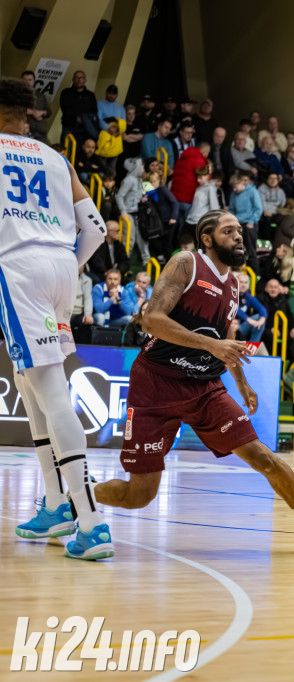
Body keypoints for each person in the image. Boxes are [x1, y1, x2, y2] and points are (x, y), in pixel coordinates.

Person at [94, 211, 294, 555]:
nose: (239, 236)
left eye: (239, 230)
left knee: (262, 457)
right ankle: (81, 493)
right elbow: (151, 320)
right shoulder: (187, 264)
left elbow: (226, 341)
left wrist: (241, 382)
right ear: (207, 239)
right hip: (156, 385)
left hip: (204, 387)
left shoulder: (233, 285)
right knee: (139, 496)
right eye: (229, 231)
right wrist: (212, 345)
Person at [0, 78, 111, 558]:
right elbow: (98, 229)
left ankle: (90, 522)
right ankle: (53, 504)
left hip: (18, 268)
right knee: (27, 381)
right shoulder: (56, 158)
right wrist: (68, 264)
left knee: (50, 390)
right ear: (25, 115)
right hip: (63, 268)